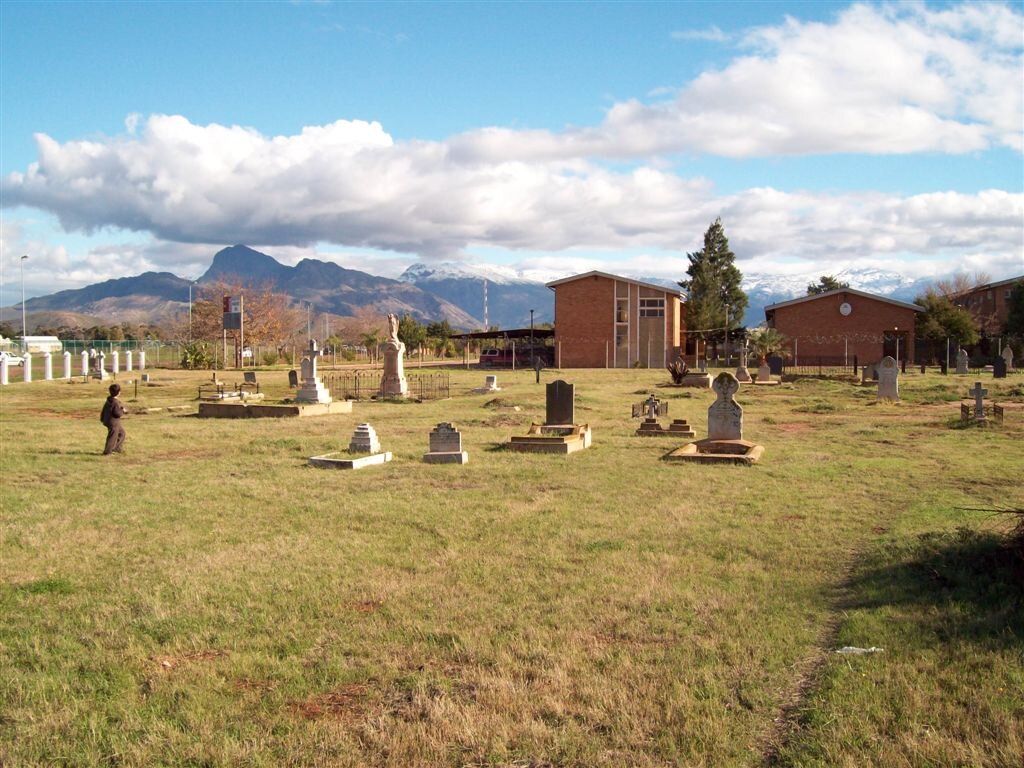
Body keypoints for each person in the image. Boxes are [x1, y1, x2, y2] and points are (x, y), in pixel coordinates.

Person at [100, 383, 126, 455]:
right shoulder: (114, 402)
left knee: (121, 433)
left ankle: (116, 448)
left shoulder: (109, 400)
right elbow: (117, 413)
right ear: (118, 393)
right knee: (112, 437)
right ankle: (107, 452)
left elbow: (104, 410)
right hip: (113, 422)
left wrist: (102, 418)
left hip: (108, 421)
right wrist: (122, 411)